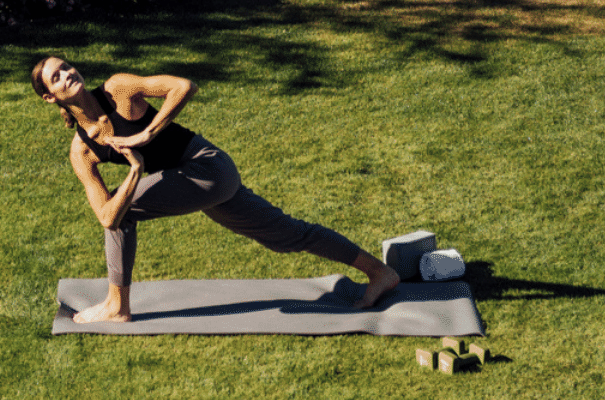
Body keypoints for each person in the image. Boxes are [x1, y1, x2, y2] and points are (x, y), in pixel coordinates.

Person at [30, 56, 401, 323]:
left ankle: (117, 305)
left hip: (207, 168)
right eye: (56, 76)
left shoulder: (117, 89)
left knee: (124, 211)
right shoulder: (81, 151)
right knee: (285, 234)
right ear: (50, 98)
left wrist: (147, 134)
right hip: (192, 184)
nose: (67, 74)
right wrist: (136, 171)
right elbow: (105, 215)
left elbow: (183, 87)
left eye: (66, 66)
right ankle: (379, 273)